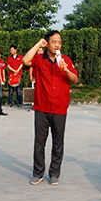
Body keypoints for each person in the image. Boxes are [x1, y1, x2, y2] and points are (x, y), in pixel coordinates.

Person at [22, 31, 78, 186]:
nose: (57, 45)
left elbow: (75, 79)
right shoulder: (39, 59)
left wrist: (66, 69)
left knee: (58, 142)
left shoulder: (66, 60)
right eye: (53, 41)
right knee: (39, 142)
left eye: (59, 42)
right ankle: (38, 173)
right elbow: (25, 61)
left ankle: (54, 174)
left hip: (60, 108)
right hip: (42, 107)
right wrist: (38, 45)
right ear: (47, 43)